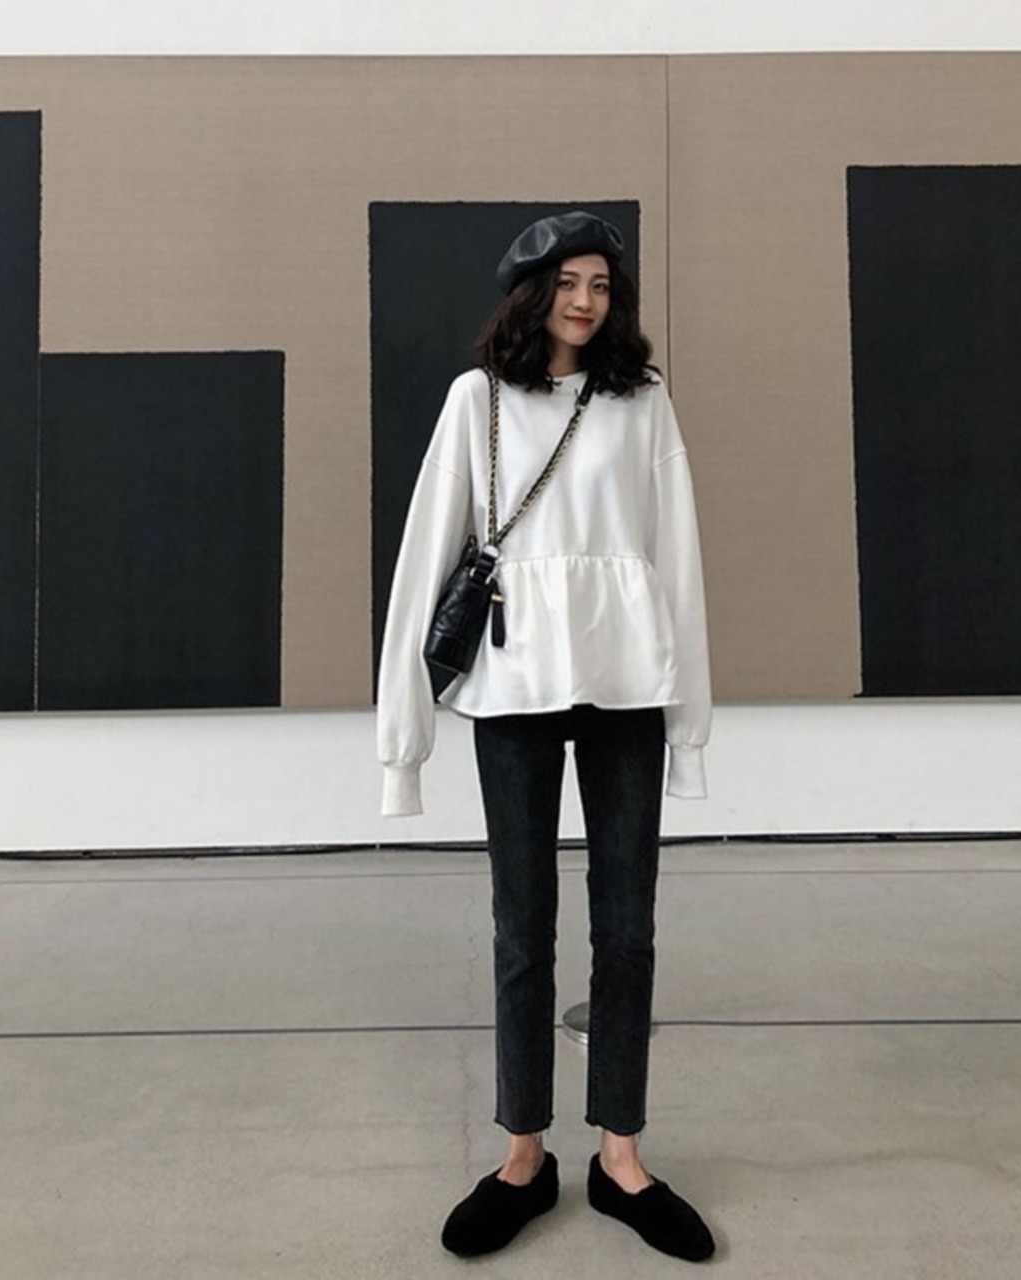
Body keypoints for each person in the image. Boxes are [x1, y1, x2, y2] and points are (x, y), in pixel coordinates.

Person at [376, 211, 714, 1262]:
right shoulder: (476, 400)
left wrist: (691, 722)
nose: (586, 301)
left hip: (626, 689)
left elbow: (676, 558)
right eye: (568, 282)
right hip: (514, 688)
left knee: (628, 929)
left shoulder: (641, 400)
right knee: (522, 930)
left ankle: (621, 1156)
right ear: (531, 291)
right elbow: (426, 557)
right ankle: (523, 1155)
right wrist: (401, 745)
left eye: (602, 285)